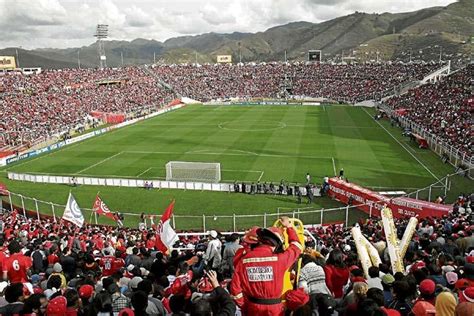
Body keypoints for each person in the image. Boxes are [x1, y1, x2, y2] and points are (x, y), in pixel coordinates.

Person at [230, 216, 303, 316]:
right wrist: (289, 226)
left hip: (253, 308)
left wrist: (245, 306)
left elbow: (235, 290)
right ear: (276, 245)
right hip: (275, 310)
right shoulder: (280, 259)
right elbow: (297, 246)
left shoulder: (243, 261)